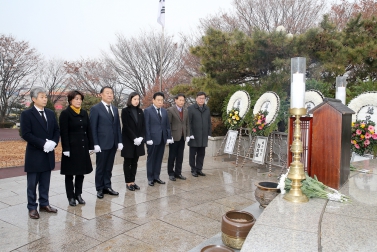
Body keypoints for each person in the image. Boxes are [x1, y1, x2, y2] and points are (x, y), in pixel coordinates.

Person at [20, 86, 60, 219]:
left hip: (48, 154)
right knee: (32, 183)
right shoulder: (27, 114)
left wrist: (53, 142)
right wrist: (43, 143)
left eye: (45, 97)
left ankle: (44, 204)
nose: (45, 99)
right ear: (33, 99)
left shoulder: (50, 113)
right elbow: (26, 134)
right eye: (42, 97)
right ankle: (32, 207)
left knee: (45, 181)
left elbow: (56, 130)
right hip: (35, 154)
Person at [59, 90, 94, 206]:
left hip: (82, 147)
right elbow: (64, 133)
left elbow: (88, 130)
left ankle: (78, 194)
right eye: (76, 99)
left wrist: (91, 146)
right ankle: (70, 197)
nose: (79, 101)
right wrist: (66, 149)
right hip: (71, 148)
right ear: (70, 100)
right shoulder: (65, 114)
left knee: (81, 173)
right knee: (70, 174)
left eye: (80, 99)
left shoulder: (84, 113)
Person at [90, 86, 123, 199]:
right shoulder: (96, 109)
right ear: (101, 95)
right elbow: (92, 127)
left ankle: (107, 186)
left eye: (111, 93)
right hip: (101, 144)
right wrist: (95, 143)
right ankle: (99, 188)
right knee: (101, 167)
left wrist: (119, 141)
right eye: (107, 93)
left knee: (109, 167)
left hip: (113, 143)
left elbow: (117, 126)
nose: (110, 95)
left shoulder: (114, 109)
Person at [144, 92, 173, 186]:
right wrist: (148, 138)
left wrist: (168, 137)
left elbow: (167, 125)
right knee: (151, 158)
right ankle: (150, 178)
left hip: (162, 139)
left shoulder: (164, 111)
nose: (160, 102)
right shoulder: (148, 111)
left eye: (162, 100)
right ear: (153, 100)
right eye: (158, 100)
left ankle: (157, 176)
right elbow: (146, 126)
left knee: (159, 158)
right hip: (152, 139)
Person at [121, 92, 145, 191]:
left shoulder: (140, 111)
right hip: (129, 140)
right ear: (130, 99)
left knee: (135, 161)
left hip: (138, 141)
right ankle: (128, 182)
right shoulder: (125, 111)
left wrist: (141, 138)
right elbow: (125, 126)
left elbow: (143, 126)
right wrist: (134, 138)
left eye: (138, 99)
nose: (136, 101)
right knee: (128, 161)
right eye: (134, 99)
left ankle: (133, 181)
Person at [188, 91, 212, 177]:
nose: (202, 100)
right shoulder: (191, 108)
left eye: (203, 98)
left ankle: (199, 169)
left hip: (203, 135)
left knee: (201, 154)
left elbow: (209, 122)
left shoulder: (207, 109)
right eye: (200, 98)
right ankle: (193, 169)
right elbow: (188, 122)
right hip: (194, 135)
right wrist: (190, 134)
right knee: (192, 154)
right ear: (196, 99)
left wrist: (209, 133)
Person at [167, 94, 190, 181]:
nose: (181, 102)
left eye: (183, 100)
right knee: (172, 155)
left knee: (180, 156)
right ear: (175, 100)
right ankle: (171, 173)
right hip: (174, 136)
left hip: (182, 137)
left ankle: (178, 173)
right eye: (180, 100)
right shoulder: (170, 110)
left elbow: (187, 124)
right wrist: (169, 136)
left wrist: (188, 135)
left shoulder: (186, 111)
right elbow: (168, 124)